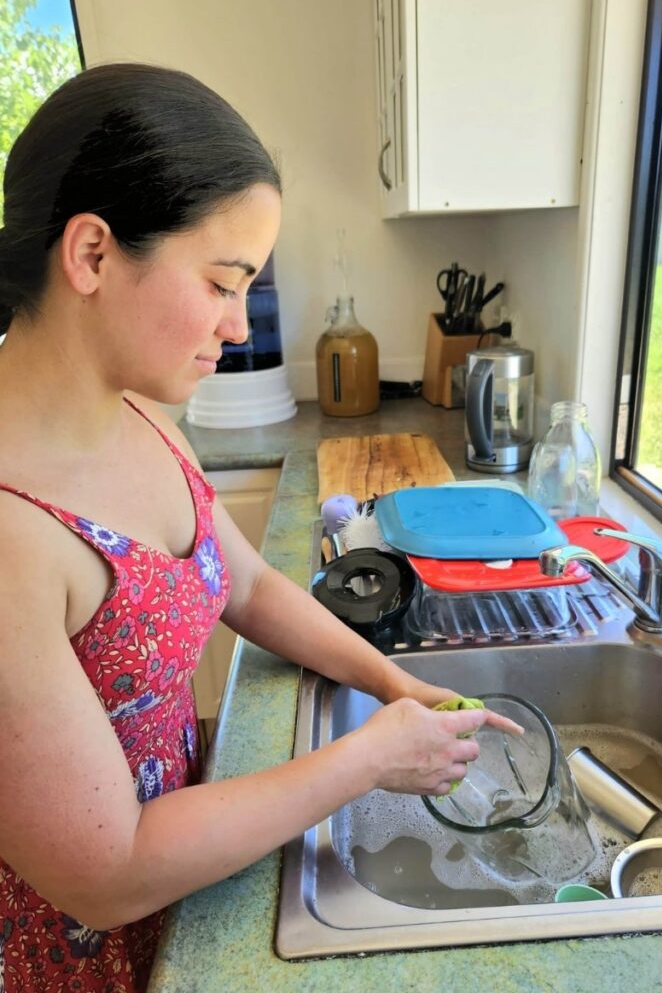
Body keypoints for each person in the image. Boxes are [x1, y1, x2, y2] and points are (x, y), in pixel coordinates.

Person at [0, 63, 521, 993]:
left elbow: (246, 585)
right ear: (90, 255)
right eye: (221, 282)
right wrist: (365, 759)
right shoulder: (11, 535)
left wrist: (393, 682)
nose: (241, 325)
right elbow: (107, 870)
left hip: (190, 874)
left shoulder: (142, 415)